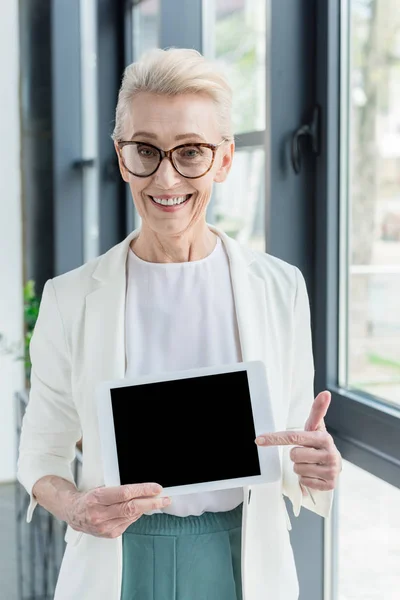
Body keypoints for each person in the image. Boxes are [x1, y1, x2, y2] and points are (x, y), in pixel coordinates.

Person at [17, 48, 342, 600]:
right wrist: (76, 508)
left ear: (224, 160)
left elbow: (289, 442)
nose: (166, 177)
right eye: (145, 150)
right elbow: (39, 456)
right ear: (122, 159)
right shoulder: (70, 298)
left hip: (243, 558)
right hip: (119, 561)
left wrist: (317, 467)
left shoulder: (280, 287)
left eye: (191, 152)